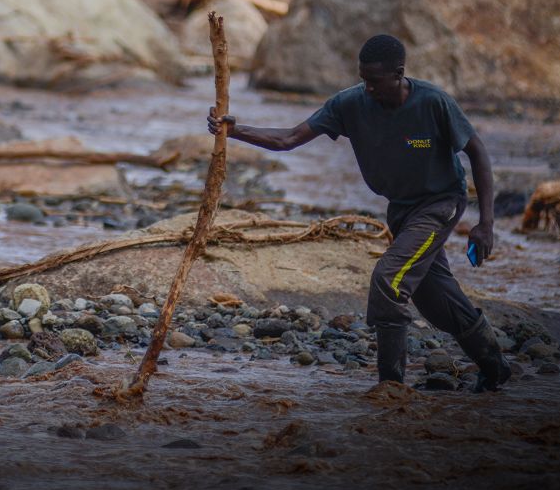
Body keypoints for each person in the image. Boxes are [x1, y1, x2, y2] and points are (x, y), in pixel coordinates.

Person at [207, 34, 511, 392]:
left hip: (440, 205)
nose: (367, 88)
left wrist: (486, 222)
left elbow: (477, 152)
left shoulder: (434, 103)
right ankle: (495, 366)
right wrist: (235, 130)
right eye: (363, 79)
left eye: (375, 81)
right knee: (435, 300)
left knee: (389, 277)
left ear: (399, 74)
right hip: (401, 211)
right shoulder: (348, 104)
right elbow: (288, 138)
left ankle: (391, 386)